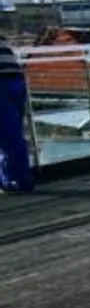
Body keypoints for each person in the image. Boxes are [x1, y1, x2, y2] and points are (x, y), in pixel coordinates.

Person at [0, 37, 35, 193]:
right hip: (16, 80)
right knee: (14, 134)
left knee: (7, 138)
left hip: (3, 83)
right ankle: (20, 178)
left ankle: (14, 181)